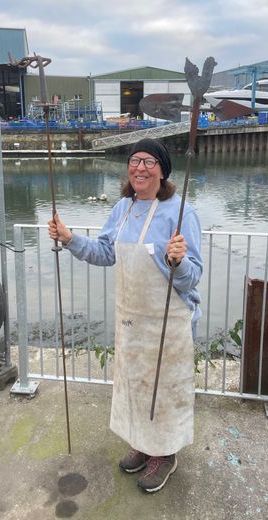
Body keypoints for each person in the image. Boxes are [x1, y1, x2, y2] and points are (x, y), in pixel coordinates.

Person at [48, 138, 202, 493]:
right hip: (132, 317)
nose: (140, 168)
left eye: (149, 162)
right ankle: (143, 444)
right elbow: (105, 252)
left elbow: (194, 275)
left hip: (169, 320)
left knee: (164, 389)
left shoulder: (181, 213)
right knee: (135, 385)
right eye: (135, 161)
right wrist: (70, 238)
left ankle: (166, 454)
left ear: (163, 171)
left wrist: (177, 261)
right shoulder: (123, 208)